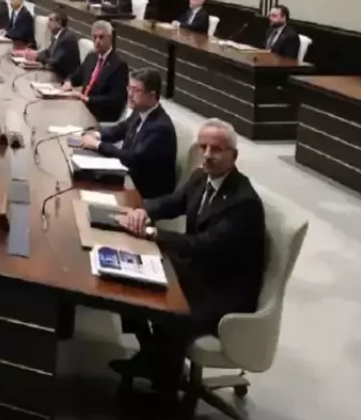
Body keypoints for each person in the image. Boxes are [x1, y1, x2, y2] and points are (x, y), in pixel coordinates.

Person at [114, 119, 266, 403]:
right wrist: (143, 212)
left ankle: (165, 393)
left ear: (233, 156)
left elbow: (204, 246)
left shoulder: (243, 202)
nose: (207, 155)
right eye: (203, 147)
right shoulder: (201, 178)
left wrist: (152, 233)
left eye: (216, 149)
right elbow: (172, 202)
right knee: (132, 279)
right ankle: (153, 358)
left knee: (172, 312)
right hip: (200, 272)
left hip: (224, 292)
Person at [78, 68, 177, 199]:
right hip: (127, 178)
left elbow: (133, 159)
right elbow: (120, 129)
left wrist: (98, 145)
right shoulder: (140, 111)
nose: (130, 94)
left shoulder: (160, 128)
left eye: (136, 90)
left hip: (143, 193)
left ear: (152, 95)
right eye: (129, 88)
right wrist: (95, 135)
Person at [61, 20, 129, 123]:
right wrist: (69, 81)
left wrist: (88, 99)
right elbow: (76, 75)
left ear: (110, 38)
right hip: (82, 107)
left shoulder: (119, 64)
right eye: (94, 37)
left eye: (101, 37)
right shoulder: (91, 56)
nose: (97, 41)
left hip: (100, 114)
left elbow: (115, 100)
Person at [23, 11, 79, 80]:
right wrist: (36, 54)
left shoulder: (67, 38)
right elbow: (48, 52)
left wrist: (37, 57)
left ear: (59, 23)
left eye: (50, 20)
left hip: (66, 79)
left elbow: (54, 61)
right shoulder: (58, 35)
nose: (48, 23)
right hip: (56, 74)